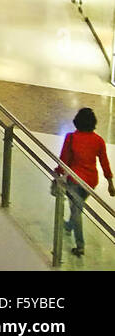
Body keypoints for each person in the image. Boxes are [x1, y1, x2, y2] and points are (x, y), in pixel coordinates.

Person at [57, 106, 115, 257]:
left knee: (76, 211)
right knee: (78, 207)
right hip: (91, 182)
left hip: (74, 180)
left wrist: (57, 174)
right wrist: (110, 183)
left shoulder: (71, 138)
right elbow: (104, 163)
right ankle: (69, 226)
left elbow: (64, 160)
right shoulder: (99, 141)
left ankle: (80, 245)